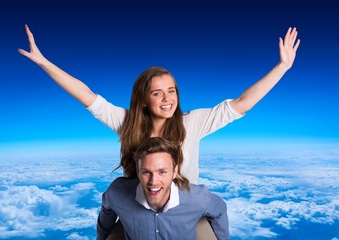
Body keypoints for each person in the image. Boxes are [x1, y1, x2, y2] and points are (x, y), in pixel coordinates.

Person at [18, 25, 300, 239]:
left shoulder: (193, 123)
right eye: (157, 93)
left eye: (172, 91)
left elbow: (242, 104)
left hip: (184, 211)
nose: (167, 99)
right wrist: (44, 62)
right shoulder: (127, 123)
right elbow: (87, 95)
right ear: (143, 99)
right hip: (138, 208)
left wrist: (283, 67)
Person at [98, 137, 229, 240]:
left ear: (174, 171)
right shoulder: (117, 193)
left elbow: (220, 209)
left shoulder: (197, 198)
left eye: (162, 172)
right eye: (146, 172)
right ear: (138, 171)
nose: (153, 181)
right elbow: (107, 209)